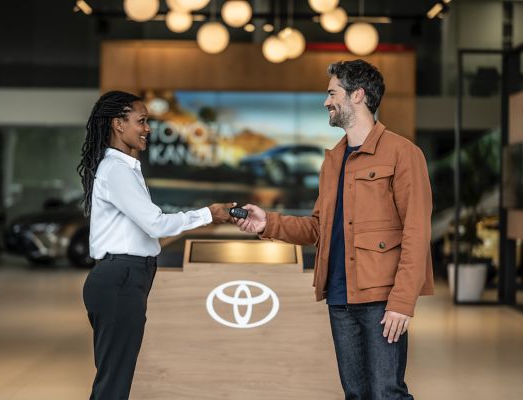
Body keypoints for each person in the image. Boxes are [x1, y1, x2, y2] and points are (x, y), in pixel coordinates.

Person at [235, 60, 434, 399]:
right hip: (339, 298)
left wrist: (402, 302)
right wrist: (268, 222)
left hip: (381, 300)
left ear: (357, 95)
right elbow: (317, 228)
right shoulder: (333, 161)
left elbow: (416, 232)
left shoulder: (403, 154)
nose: (326, 102)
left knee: (387, 393)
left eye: (332, 93)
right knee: (355, 394)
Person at [77, 90, 233, 400]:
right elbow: (155, 224)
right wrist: (208, 213)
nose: (148, 128)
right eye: (142, 121)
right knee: (113, 383)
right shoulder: (118, 171)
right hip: (121, 277)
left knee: (114, 377)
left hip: (125, 277)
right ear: (118, 124)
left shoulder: (124, 169)